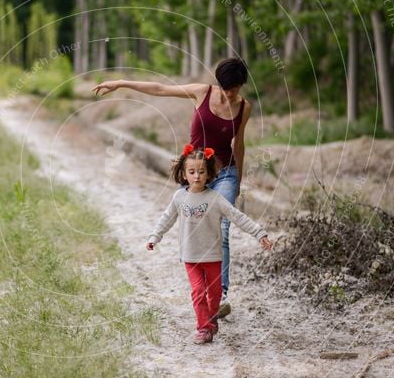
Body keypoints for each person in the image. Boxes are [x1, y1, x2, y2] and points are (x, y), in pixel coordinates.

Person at [94, 58, 251, 319]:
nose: (228, 94)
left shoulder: (245, 107)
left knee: (221, 227)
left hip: (225, 173)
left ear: (241, 85)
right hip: (196, 172)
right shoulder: (203, 92)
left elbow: (239, 144)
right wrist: (121, 83)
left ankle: (219, 296)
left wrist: (238, 181)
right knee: (195, 227)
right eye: (224, 87)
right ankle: (204, 285)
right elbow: (159, 88)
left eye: (233, 88)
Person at [146, 145, 272, 344]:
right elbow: (166, 218)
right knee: (198, 292)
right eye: (192, 171)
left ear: (209, 174)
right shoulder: (179, 197)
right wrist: (155, 237)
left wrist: (259, 233)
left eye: (201, 171)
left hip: (213, 256)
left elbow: (237, 216)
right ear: (184, 174)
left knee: (214, 295)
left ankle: (211, 319)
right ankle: (203, 328)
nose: (197, 176)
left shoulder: (215, 199)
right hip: (190, 256)